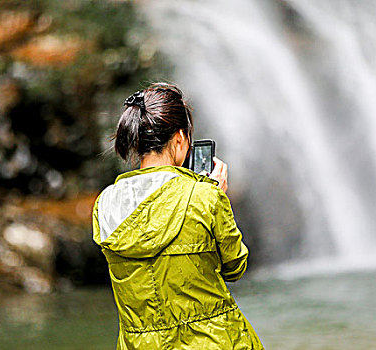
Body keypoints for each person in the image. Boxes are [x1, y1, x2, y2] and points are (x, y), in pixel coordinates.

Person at [92, 83, 264, 349]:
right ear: (180, 138)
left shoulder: (105, 204)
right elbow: (235, 266)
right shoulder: (204, 196)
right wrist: (216, 195)